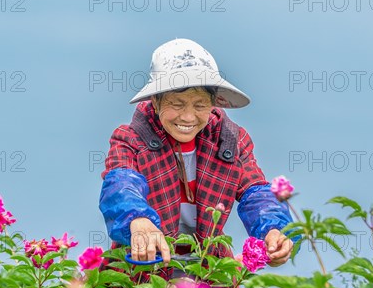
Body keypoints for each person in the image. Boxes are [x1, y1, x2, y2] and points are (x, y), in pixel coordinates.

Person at [99, 38, 296, 266]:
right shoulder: (130, 138)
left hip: (207, 268)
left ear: (214, 102)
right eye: (177, 104)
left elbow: (255, 192)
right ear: (155, 100)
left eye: (200, 105)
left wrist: (273, 230)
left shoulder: (232, 141)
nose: (188, 117)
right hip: (146, 269)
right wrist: (137, 219)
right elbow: (120, 185)